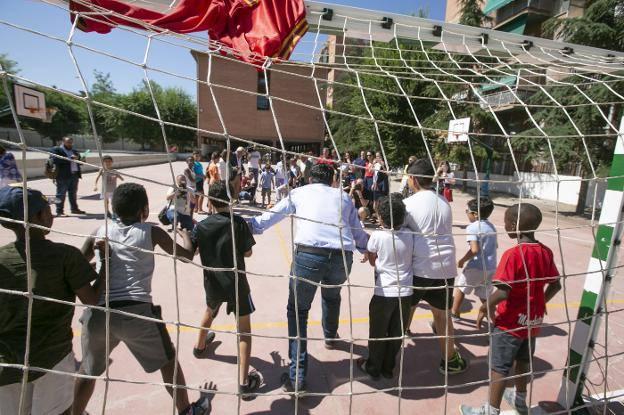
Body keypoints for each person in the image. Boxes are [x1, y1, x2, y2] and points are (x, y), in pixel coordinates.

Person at [73, 183, 211, 415]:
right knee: (168, 361)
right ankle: (187, 410)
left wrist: (102, 260)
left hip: (98, 314)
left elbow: (76, 263)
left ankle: (74, 412)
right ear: (144, 211)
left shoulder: (100, 231)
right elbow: (186, 256)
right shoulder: (151, 231)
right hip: (136, 313)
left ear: (113, 210)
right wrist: (186, 236)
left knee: (87, 370)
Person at [249, 163, 369, 392]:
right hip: (342, 258)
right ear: (333, 179)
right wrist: (368, 249)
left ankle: (297, 378)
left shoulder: (300, 192)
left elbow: (271, 216)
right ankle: (330, 336)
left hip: (309, 257)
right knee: (332, 296)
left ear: (309, 179)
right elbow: (357, 232)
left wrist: (248, 226)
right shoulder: (343, 197)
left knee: (298, 311)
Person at [0, 185, 101, 414]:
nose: (52, 214)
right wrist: (106, 266)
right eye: (48, 209)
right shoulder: (65, 255)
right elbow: (92, 300)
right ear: (38, 216)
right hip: (52, 359)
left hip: (7, 365)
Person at [460, 203, 561, 415]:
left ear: (514, 225)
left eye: (506, 222)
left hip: (509, 324)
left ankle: (491, 410)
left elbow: (503, 292)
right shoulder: (545, 251)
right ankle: (520, 400)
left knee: (499, 367)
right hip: (532, 321)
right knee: (523, 361)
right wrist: (538, 302)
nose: (505, 226)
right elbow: (556, 284)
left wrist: (484, 307)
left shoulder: (513, 254)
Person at [191, 181, 262, 400]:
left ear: (210, 202)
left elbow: (191, 251)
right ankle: (243, 383)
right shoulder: (237, 222)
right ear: (229, 199)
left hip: (213, 281)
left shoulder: (201, 226)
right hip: (236, 282)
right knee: (244, 330)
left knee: (210, 310)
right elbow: (248, 253)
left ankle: (199, 347)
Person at [403, 159, 468, 374]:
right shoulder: (443, 201)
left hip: (420, 267)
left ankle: (394, 350)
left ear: (412, 179)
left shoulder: (409, 204)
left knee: (406, 307)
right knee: (442, 315)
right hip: (446, 268)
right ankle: (450, 361)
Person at [357, 194, 413, 380]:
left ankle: (373, 366)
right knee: (397, 332)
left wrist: (374, 258)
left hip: (384, 293)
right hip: (405, 293)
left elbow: (373, 261)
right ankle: (388, 367)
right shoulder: (411, 235)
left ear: (380, 217)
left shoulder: (377, 236)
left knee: (378, 332)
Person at [452, 198, 497, 321]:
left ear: (475, 214)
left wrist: (462, 260)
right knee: (485, 296)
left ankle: (454, 313)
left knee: (461, 287)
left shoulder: (473, 227)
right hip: (490, 267)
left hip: (476, 267)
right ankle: (495, 321)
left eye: (467, 211)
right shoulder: (491, 226)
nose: (466, 213)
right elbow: (495, 246)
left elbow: (474, 250)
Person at [49, 137, 86, 216]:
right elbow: (54, 160)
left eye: (71, 142)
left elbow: (80, 162)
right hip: (62, 176)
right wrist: (69, 159)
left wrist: (81, 159)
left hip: (74, 175)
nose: (70, 144)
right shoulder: (56, 150)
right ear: (63, 142)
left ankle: (74, 209)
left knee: (73, 194)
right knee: (60, 194)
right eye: (68, 142)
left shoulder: (74, 151)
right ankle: (59, 211)